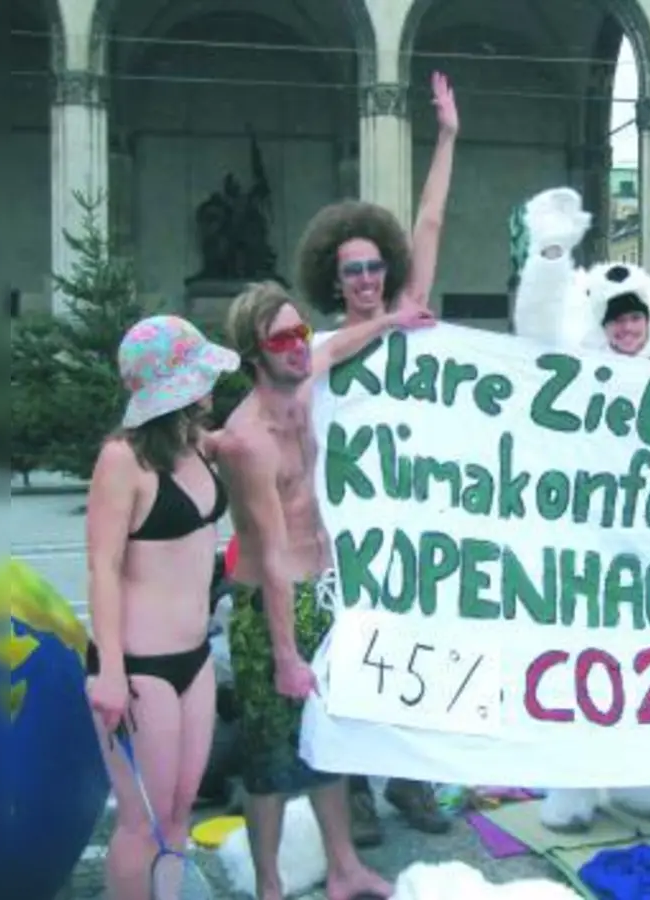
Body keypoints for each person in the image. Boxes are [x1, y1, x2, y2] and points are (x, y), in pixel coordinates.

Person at [220, 281, 434, 899]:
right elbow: (274, 554)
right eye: (281, 338)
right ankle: (268, 887)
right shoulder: (247, 439)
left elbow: (341, 344)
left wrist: (394, 319)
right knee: (269, 763)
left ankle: (343, 868)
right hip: (270, 611)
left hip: (322, 590)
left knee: (328, 741)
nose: (297, 346)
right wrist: (286, 656)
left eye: (300, 332)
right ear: (254, 354)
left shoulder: (305, 376)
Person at [292, 70, 460, 845]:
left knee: (416, 645)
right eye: (352, 269)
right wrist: (386, 328)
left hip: (413, 515)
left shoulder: (407, 311)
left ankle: (410, 779)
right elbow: (309, 373)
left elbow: (427, 221)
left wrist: (448, 136)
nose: (366, 278)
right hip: (346, 525)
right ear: (336, 276)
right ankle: (352, 787)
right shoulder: (324, 343)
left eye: (374, 266)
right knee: (349, 652)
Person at [85, 315, 241, 900]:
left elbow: (272, 420)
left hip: (194, 657)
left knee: (178, 812)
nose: (211, 383)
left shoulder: (195, 443)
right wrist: (111, 672)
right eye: (199, 373)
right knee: (138, 823)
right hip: (140, 669)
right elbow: (102, 565)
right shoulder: (122, 460)